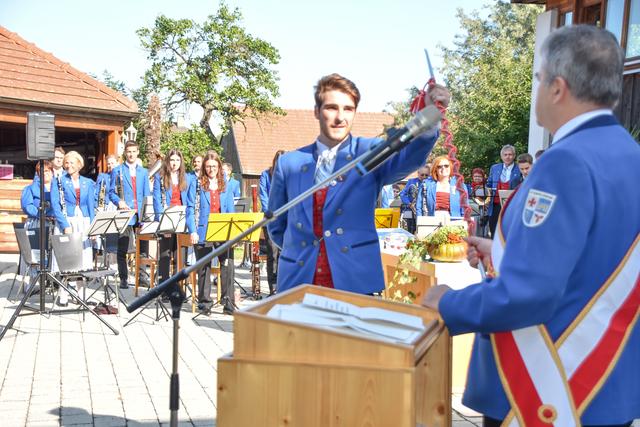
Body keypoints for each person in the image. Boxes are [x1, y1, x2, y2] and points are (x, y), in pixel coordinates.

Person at [423, 25, 640, 427]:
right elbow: (597, 255)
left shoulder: (566, 161)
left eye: (539, 79)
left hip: (545, 390)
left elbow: (530, 294)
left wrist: (448, 303)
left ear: (557, 88)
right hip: (605, 388)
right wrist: (505, 251)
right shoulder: (630, 155)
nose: (537, 89)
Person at [267, 73, 449, 294]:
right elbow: (277, 226)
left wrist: (429, 119)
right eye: (331, 108)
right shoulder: (289, 163)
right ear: (316, 111)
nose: (340, 117)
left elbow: (407, 157)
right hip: (297, 283)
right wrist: (298, 253)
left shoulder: (369, 152)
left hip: (354, 281)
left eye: (348, 109)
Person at [186, 152, 235, 313]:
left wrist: (232, 233)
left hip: (222, 229)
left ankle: (228, 302)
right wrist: (193, 231)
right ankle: (205, 303)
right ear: (204, 167)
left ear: (219, 167)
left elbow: (230, 209)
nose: (211, 169)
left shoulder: (225, 184)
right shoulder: (197, 183)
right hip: (203, 230)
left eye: (214, 166)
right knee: (204, 267)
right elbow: (191, 208)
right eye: (208, 166)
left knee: (227, 265)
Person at [50, 151, 96, 306]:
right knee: (67, 258)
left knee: (81, 258)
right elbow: (56, 206)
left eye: (71, 162)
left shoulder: (88, 182)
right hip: (67, 222)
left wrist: (93, 228)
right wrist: (64, 225)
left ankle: (80, 294)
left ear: (79, 164)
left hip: (82, 222)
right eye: (66, 163)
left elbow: (91, 206)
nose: (68, 165)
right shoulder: (58, 181)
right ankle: (63, 294)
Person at [109, 141, 151, 289]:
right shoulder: (117, 170)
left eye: (134, 151)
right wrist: (119, 202)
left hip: (140, 214)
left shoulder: (143, 172)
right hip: (125, 213)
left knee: (143, 248)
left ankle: (142, 277)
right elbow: (111, 193)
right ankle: (124, 278)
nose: (131, 154)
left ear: (138, 152)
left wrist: (147, 213)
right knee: (123, 248)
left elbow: (147, 194)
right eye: (129, 151)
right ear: (125, 153)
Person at [153, 148, 194, 287]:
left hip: (182, 218)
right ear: (167, 161)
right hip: (167, 217)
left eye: (177, 160)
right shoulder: (160, 177)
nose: (174, 163)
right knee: (165, 255)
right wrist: (162, 221)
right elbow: (156, 200)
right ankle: (163, 288)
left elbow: (189, 201)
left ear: (181, 162)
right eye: (172, 160)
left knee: (179, 256)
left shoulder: (187, 178)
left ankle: (177, 288)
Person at [20, 160, 55, 277]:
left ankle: (52, 279)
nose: (45, 173)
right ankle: (33, 280)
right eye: (42, 171)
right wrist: (42, 214)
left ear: (52, 172)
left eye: (48, 171)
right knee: (36, 253)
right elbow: (27, 206)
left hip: (55, 224)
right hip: (37, 222)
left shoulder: (58, 187)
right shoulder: (30, 188)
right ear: (38, 174)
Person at [259, 150, 285, 295]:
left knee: (284, 253)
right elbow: (263, 195)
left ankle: (283, 286)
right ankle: (273, 287)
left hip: (286, 219)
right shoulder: (265, 175)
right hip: (270, 219)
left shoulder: (289, 176)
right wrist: (271, 212)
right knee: (272, 254)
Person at [486, 145, 521, 237]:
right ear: (501, 156)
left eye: (510, 154)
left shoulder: (519, 168)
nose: (507, 157)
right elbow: (489, 184)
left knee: (508, 232)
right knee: (494, 231)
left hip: (511, 205)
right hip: (495, 205)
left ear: (514, 156)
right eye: (505, 155)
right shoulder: (495, 168)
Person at [399, 165, 430, 233]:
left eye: (426, 175)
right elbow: (402, 194)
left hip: (425, 211)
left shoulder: (431, 183)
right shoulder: (411, 181)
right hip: (411, 210)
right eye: (422, 175)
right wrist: (409, 203)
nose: (424, 177)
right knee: (411, 230)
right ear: (418, 174)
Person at [468, 168, 490, 237]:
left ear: (483, 177)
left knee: (479, 235)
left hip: (480, 215)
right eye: (475, 176)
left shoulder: (486, 188)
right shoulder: (468, 187)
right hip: (470, 214)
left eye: (479, 176)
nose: (477, 178)